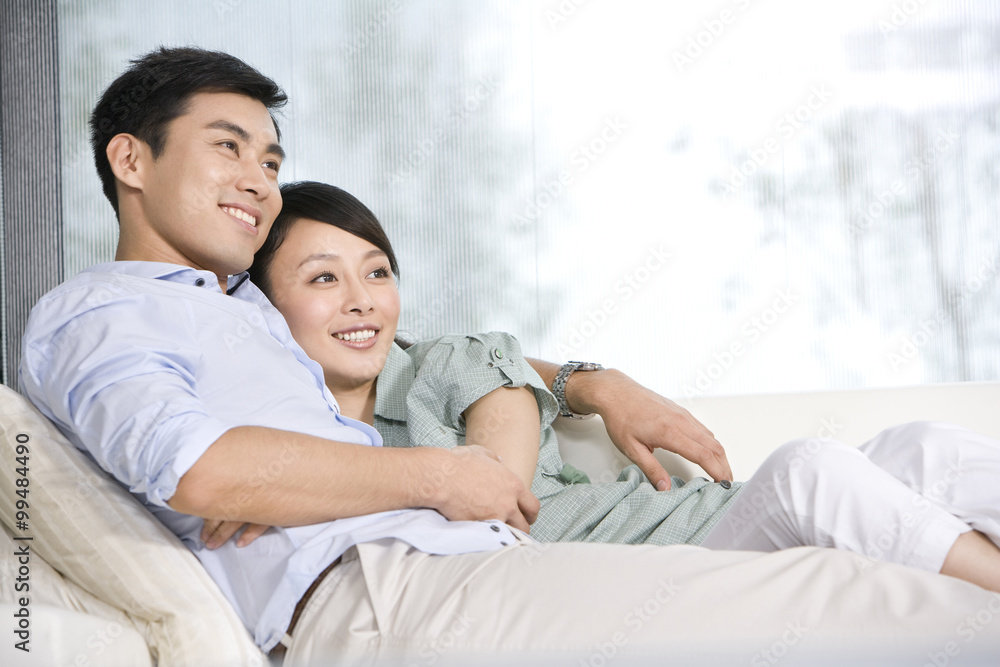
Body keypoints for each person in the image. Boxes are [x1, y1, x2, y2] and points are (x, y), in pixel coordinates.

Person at [17, 46, 1000, 664]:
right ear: (130, 160)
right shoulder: (96, 310)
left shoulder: (242, 316)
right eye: (228, 147)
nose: (259, 180)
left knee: (884, 522)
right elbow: (197, 464)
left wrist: (582, 379)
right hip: (382, 595)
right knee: (836, 593)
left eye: (270, 160)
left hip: (450, 569)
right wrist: (438, 474)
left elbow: (419, 364)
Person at [237, 179, 1000, 595]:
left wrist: (586, 382)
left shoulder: (445, 363)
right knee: (816, 471)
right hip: (675, 562)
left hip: (696, 525)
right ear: (265, 307)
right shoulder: (293, 436)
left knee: (915, 446)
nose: (363, 297)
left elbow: (500, 497)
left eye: (377, 271)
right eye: (323, 278)